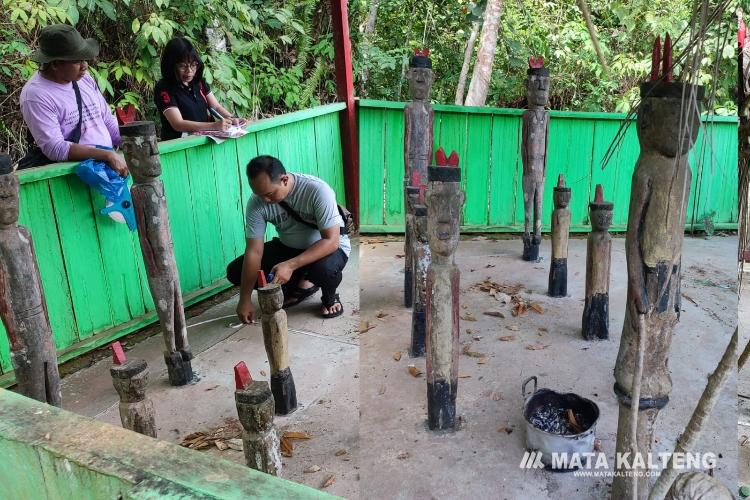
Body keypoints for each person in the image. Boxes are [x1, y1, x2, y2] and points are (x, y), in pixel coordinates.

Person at [227, 155, 350, 322]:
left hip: (328, 248)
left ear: (284, 180)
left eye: (269, 194)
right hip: (289, 247)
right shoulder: (256, 202)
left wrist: (290, 265)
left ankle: (330, 297)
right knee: (235, 271)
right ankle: (302, 283)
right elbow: (254, 251)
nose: (265, 200)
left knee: (324, 271)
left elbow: (331, 241)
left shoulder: (317, 190)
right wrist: (245, 299)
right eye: (258, 194)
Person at [19, 24, 128, 175]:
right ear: (56, 64)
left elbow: (107, 119)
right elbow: (55, 148)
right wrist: (106, 155)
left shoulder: (84, 79)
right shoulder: (35, 95)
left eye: (84, 59)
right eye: (77, 61)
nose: (85, 66)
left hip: (110, 169)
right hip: (74, 178)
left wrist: (129, 143)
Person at [154, 37, 244, 140]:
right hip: (179, 146)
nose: (189, 71)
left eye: (193, 65)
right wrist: (214, 126)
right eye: (183, 66)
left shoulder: (199, 82)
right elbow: (178, 124)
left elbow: (216, 107)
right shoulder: (164, 87)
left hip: (205, 140)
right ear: (171, 66)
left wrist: (231, 119)